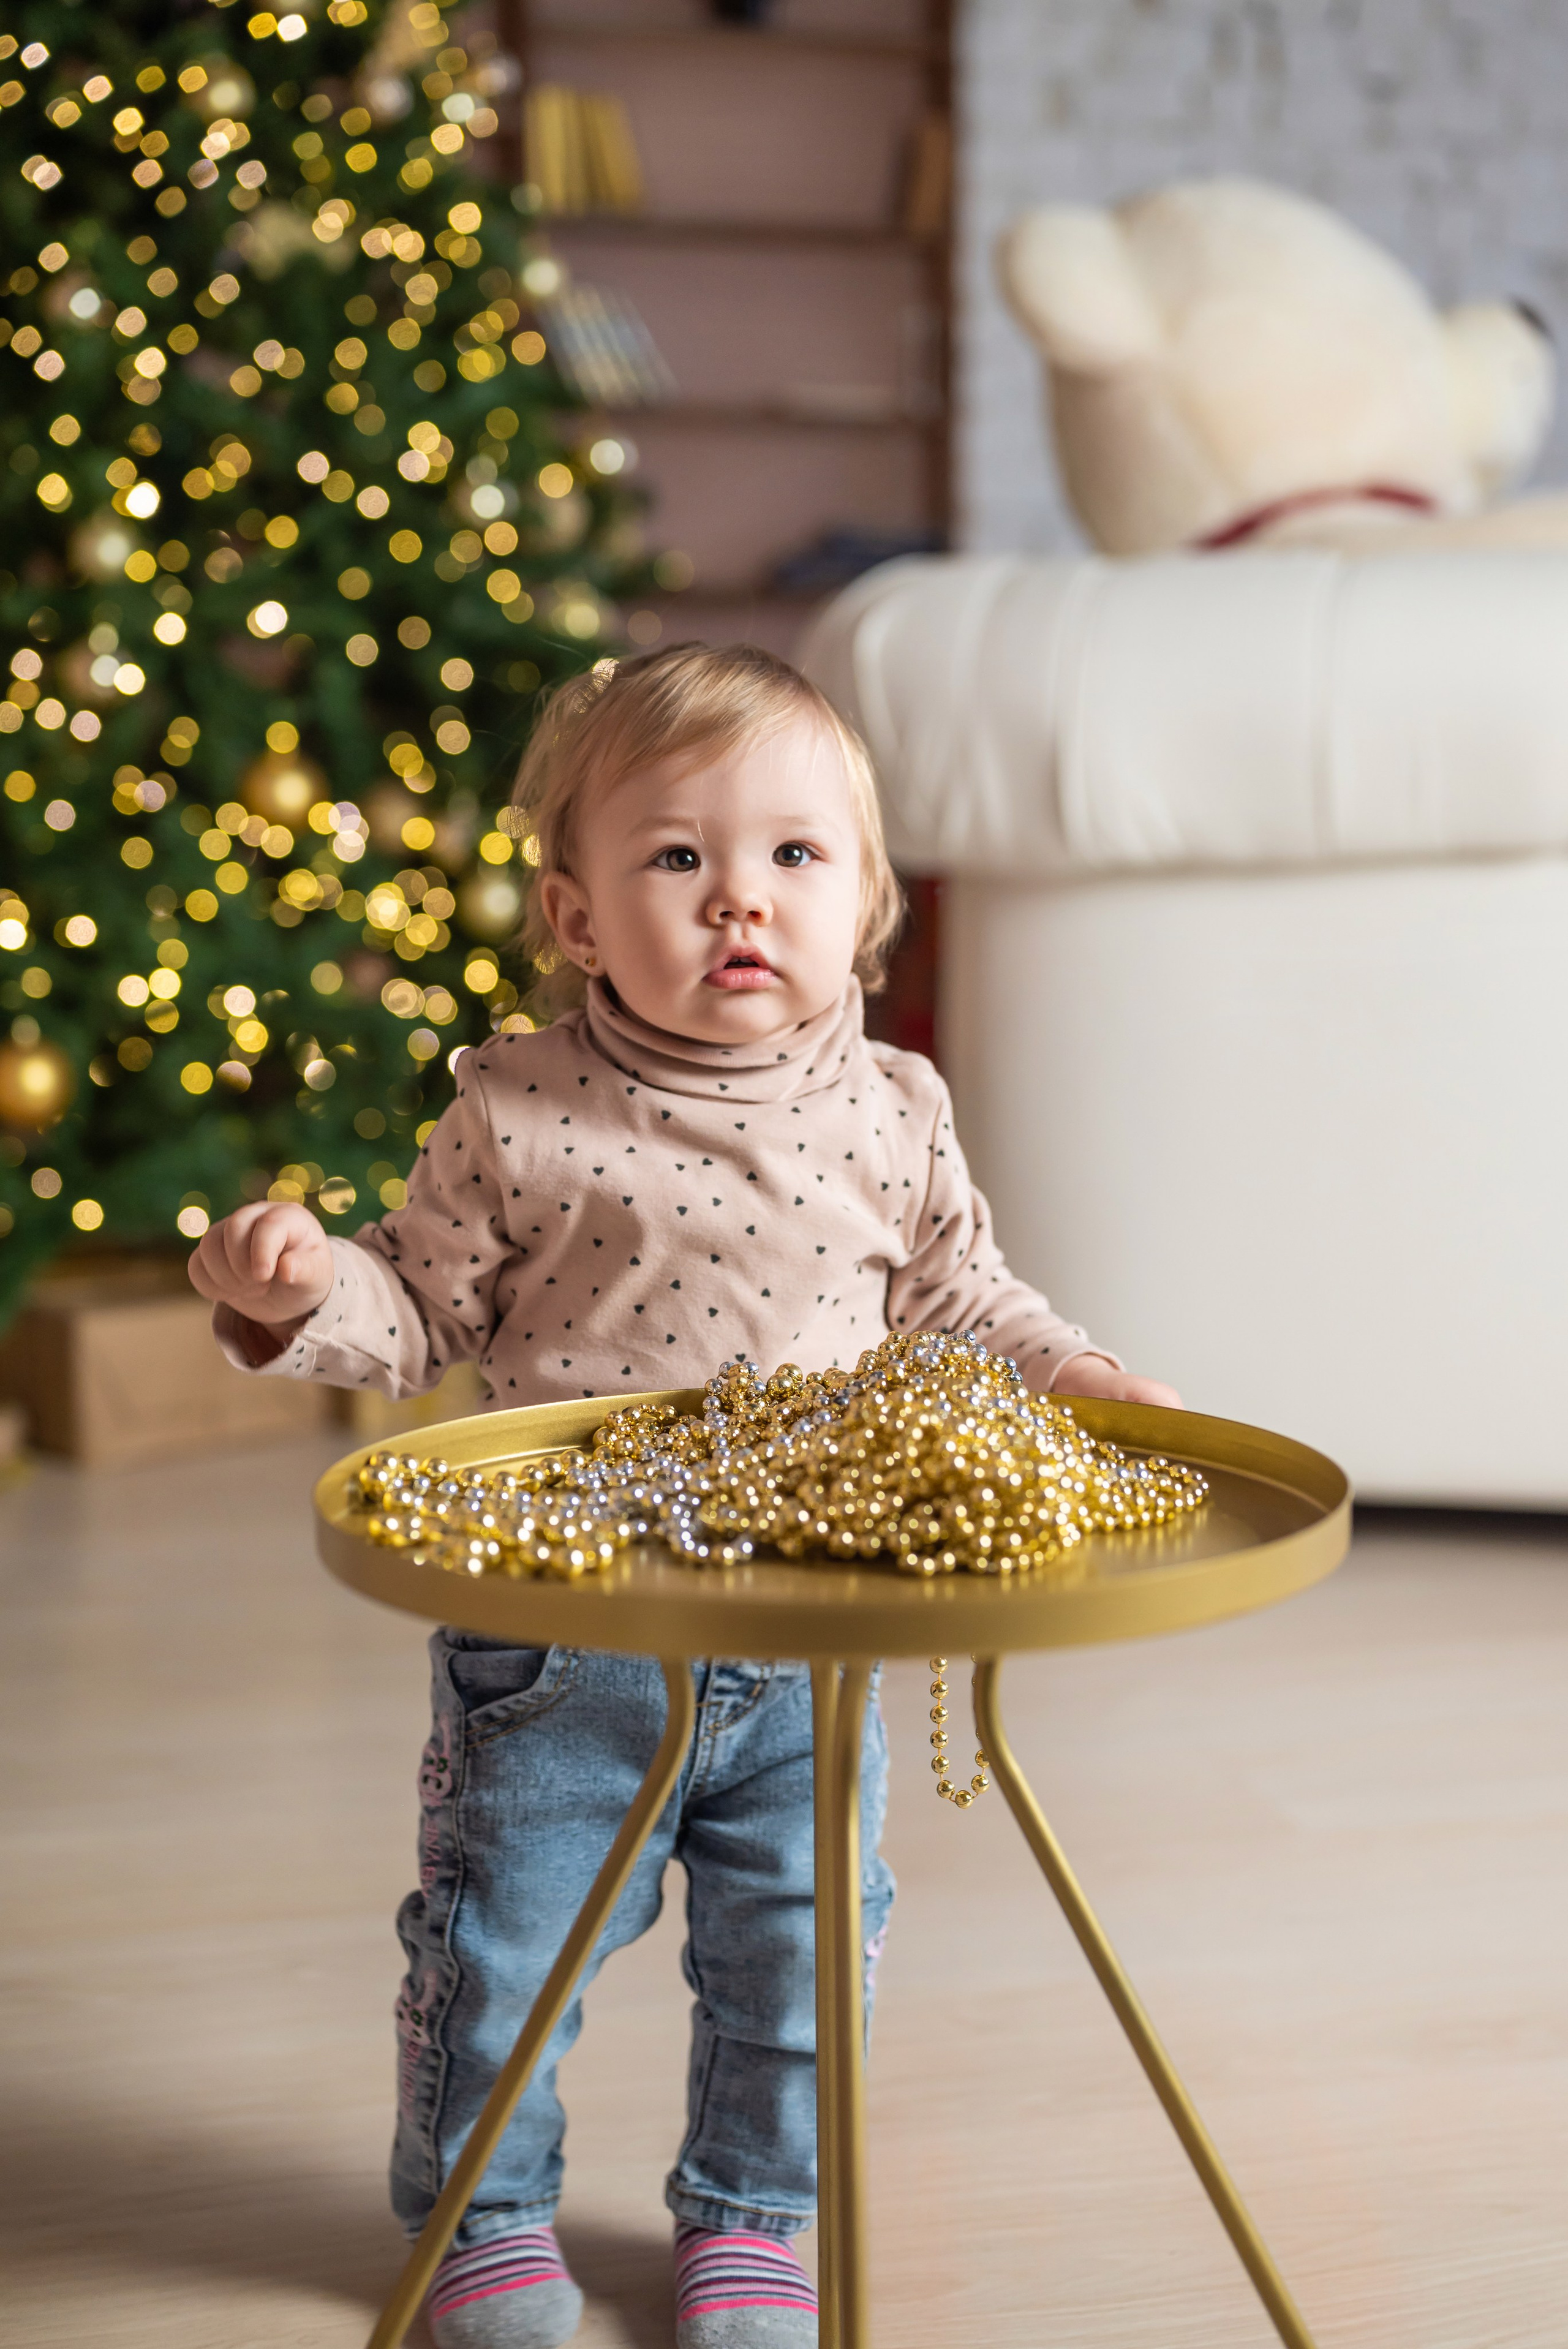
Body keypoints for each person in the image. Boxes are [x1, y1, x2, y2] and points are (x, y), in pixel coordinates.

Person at [190, 644, 1178, 2349]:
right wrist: (293, 1292)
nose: (742, 900)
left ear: (867, 898)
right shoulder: (513, 1113)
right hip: (568, 1624)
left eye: (796, 857)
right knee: (507, 1950)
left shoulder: (895, 1112)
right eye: (677, 858)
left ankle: (754, 2213)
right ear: (576, 919)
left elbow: (962, 1305)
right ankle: (484, 2215)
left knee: (800, 1959)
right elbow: (417, 1309)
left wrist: (1078, 1379)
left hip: (817, 1626)